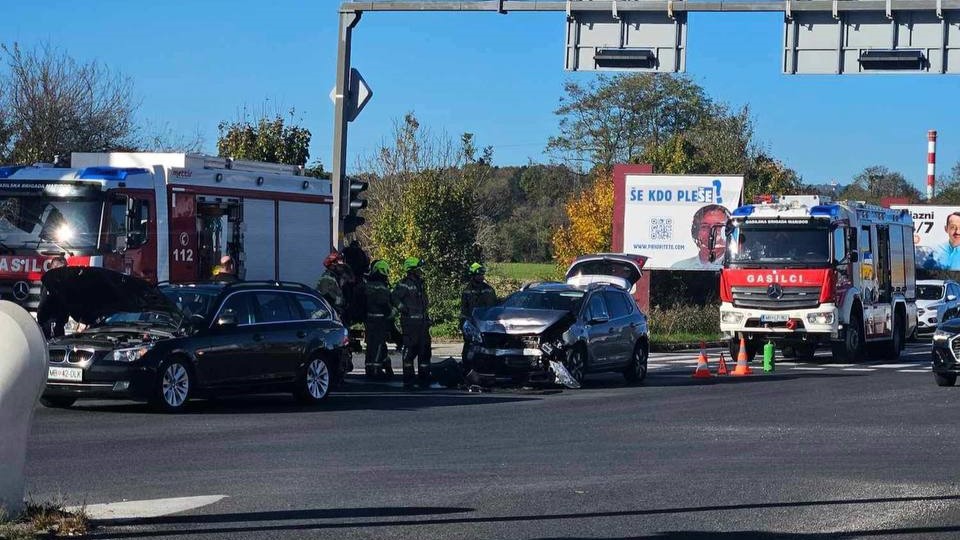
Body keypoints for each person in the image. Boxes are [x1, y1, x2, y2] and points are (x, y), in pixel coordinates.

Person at [391, 257, 431, 389]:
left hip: (423, 324)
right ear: (412, 270)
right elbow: (394, 297)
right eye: (418, 269)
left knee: (424, 351)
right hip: (410, 324)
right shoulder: (405, 284)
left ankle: (424, 379)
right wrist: (402, 308)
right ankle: (409, 380)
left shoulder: (421, 283)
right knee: (409, 352)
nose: (420, 271)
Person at [670, 204, 731, 270]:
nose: (711, 232)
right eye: (705, 227)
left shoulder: (735, 267)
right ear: (696, 231)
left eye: (718, 227)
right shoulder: (679, 267)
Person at [460, 262, 498, 363]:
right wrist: (462, 324)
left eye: (482, 274)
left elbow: (494, 307)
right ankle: (467, 365)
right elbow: (464, 309)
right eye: (479, 274)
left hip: (486, 324)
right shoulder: (467, 291)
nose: (481, 277)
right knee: (469, 347)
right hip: (472, 324)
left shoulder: (488, 290)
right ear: (473, 276)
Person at [363, 259, 395, 379]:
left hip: (369, 319)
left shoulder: (368, 285)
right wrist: (392, 313)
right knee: (379, 344)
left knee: (370, 344)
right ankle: (376, 369)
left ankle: (369, 367)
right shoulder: (381, 287)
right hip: (380, 320)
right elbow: (384, 303)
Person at [37, 256, 69, 339]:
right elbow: (43, 301)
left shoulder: (50, 281)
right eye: (63, 268)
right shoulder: (50, 282)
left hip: (56, 320)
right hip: (50, 319)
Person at [316, 252, 350, 320]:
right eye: (339, 266)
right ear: (332, 266)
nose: (341, 268)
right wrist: (340, 305)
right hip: (326, 315)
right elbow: (327, 297)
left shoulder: (336, 277)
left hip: (335, 312)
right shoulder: (326, 278)